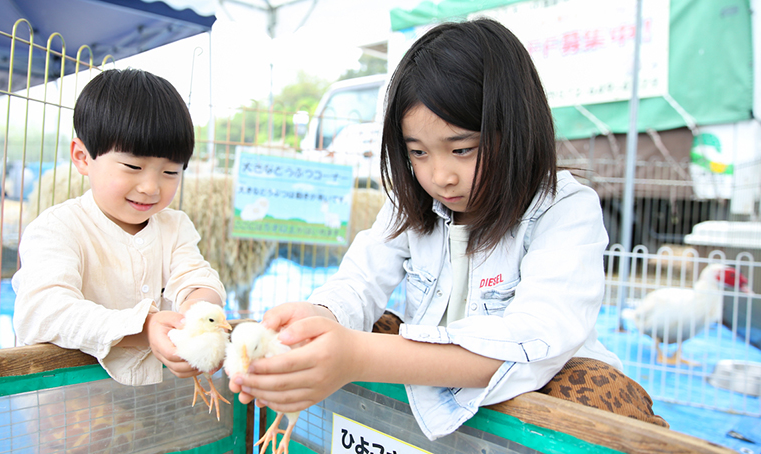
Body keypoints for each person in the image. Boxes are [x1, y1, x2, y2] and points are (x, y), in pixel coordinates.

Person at [229, 19, 663, 440]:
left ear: (515, 129)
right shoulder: (410, 202)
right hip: (435, 384)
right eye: (418, 152)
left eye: (462, 149)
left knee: (602, 394)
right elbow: (359, 282)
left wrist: (358, 354)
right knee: (357, 329)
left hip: (536, 391)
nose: (440, 176)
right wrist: (320, 317)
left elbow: (533, 340)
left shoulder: (564, 208)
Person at [12, 68, 226, 387]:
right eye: (133, 167)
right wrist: (144, 327)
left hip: (154, 410)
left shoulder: (175, 227)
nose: (151, 187)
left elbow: (194, 278)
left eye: (170, 172)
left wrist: (198, 314)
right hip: (71, 406)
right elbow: (43, 311)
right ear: (82, 157)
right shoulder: (58, 228)